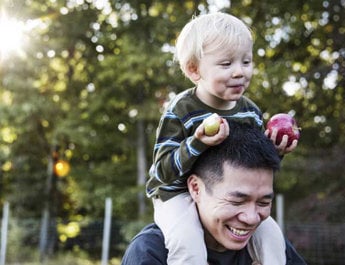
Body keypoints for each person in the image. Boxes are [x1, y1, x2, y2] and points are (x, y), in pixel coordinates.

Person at [146, 12, 297, 265]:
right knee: (188, 245)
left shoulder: (250, 111)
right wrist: (196, 143)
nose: (240, 72)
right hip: (177, 194)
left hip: (227, 201)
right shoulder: (181, 110)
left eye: (246, 62)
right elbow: (162, 172)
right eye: (226, 64)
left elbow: (250, 168)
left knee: (273, 239)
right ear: (194, 70)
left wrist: (276, 150)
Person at [123, 122, 306, 265]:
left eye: (263, 203)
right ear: (196, 188)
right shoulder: (150, 253)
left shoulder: (271, 248)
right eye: (237, 201)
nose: (251, 218)